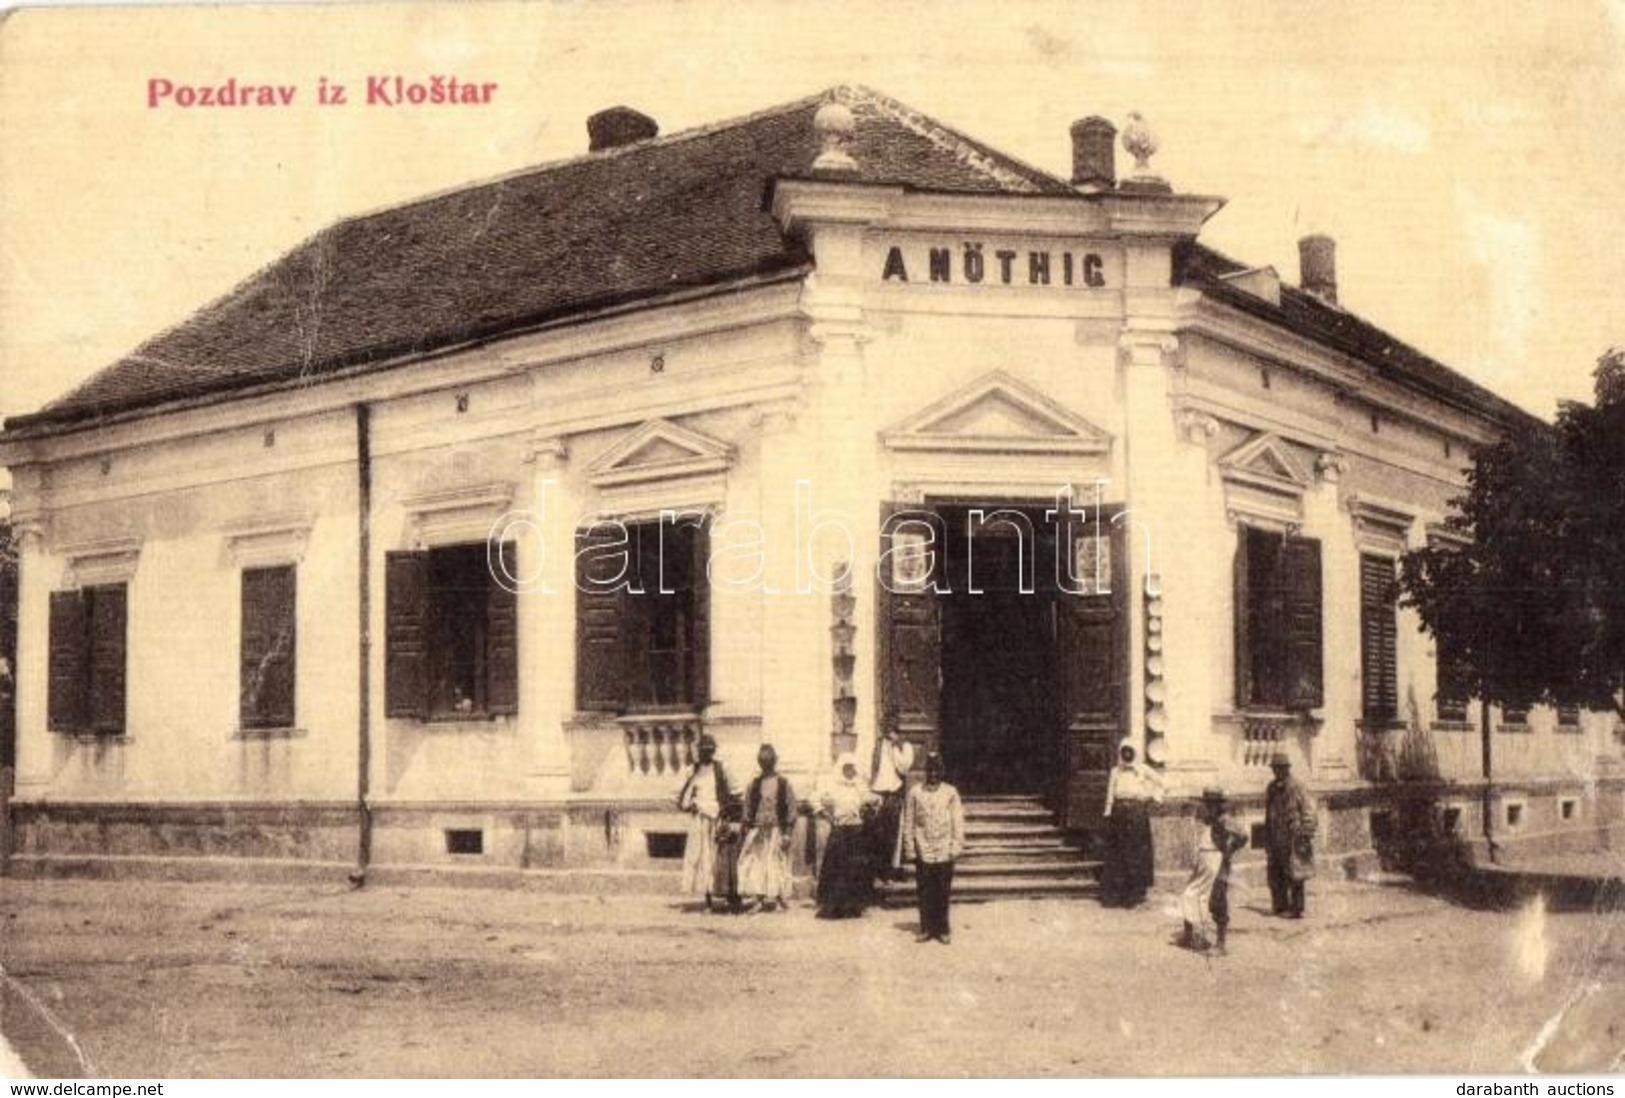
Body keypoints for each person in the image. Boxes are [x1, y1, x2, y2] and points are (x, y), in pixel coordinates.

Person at [902, 752, 965, 944]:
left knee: (942, 890)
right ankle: (927, 928)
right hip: (924, 848)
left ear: (942, 772)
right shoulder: (915, 792)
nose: (934, 774)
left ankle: (943, 929)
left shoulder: (950, 792)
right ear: (925, 772)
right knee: (925, 890)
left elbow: (958, 821)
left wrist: (956, 845)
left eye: (937, 770)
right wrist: (910, 848)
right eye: (930, 770)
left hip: (945, 848)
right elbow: (909, 822)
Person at [676, 733, 740, 913]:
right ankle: (708, 899)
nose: (706, 753)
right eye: (702, 750)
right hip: (700, 822)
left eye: (709, 750)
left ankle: (727, 896)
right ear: (698, 751)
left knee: (718, 859)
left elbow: (736, 791)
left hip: (718, 821)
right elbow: (679, 796)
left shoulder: (722, 769)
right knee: (701, 858)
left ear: (713, 751)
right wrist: (690, 807)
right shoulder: (692, 771)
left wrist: (728, 812)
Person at [1178, 787, 1246, 953]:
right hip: (1203, 862)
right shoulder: (1208, 819)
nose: (1207, 807)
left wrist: (1229, 850)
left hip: (1217, 862)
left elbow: (1243, 836)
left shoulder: (1224, 819)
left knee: (1217, 900)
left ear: (1218, 804)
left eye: (1211, 803)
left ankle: (1220, 945)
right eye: (1207, 803)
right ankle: (1188, 936)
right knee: (1188, 895)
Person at [1099, 740, 1164, 907]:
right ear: (1120, 752)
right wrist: (1108, 811)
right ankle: (1117, 893)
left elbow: (1163, 783)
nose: (1127, 755)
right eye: (1124, 752)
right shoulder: (1115, 771)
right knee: (1119, 852)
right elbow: (1110, 793)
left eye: (1130, 752)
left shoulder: (1142, 769)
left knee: (1136, 852)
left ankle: (1134, 894)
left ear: (1135, 753)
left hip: (1137, 814)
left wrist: (1153, 797)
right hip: (1119, 813)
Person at [816, 752, 880, 918]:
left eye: (852, 767)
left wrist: (876, 802)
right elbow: (816, 800)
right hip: (839, 830)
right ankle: (835, 907)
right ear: (841, 768)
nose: (850, 771)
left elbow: (870, 799)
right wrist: (825, 813)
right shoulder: (833, 786)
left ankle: (855, 906)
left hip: (856, 831)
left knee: (856, 869)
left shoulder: (859, 786)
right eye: (847, 767)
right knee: (837, 869)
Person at [736, 743, 797, 912]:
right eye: (763, 761)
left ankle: (778, 897)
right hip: (758, 830)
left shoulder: (784, 784)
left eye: (769, 761)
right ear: (759, 763)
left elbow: (791, 808)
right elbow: (747, 807)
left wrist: (788, 833)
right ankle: (758, 898)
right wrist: (745, 827)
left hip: (777, 829)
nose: (766, 764)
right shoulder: (754, 784)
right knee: (757, 864)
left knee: (777, 863)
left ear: (774, 762)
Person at [1264, 752, 1317, 918]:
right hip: (1275, 836)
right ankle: (1279, 906)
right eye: (1275, 769)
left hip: (1293, 837)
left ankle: (1296, 909)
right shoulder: (1271, 788)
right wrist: (1266, 837)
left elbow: (1308, 810)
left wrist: (1305, 833)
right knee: (1275, 872)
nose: (1277, 772)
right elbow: (1268, 813)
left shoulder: (1297, 786)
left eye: (1280, 768)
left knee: (1295, 873)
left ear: (1287, 769)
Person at [870, 728, 915, 881]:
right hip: (877, 791)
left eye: (891, 727)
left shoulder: (904, 746)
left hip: (895, 791)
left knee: (895, 832)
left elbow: (904, 767)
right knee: (877, 832)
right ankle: (878, 870)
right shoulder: (877, 744)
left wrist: (895, 747)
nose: (887, 731)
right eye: (885, 726)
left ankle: (892, 869)